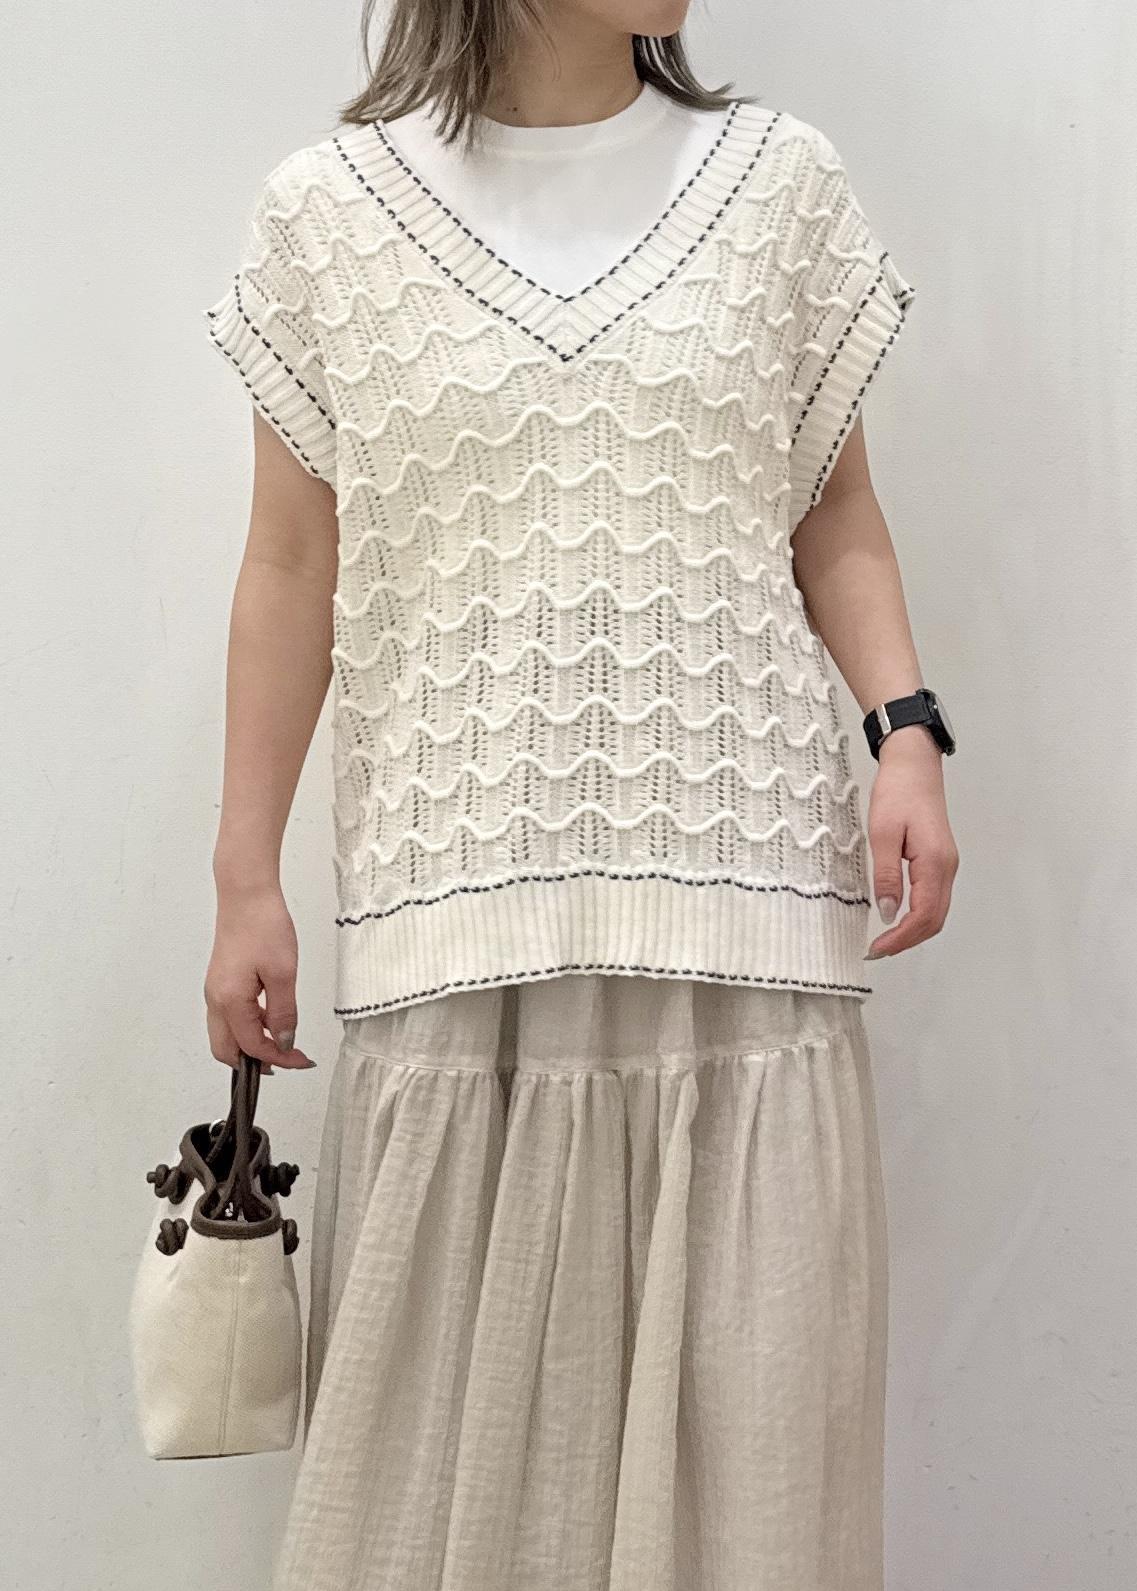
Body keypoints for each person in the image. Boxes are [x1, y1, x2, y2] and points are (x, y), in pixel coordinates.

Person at [201, 2, 959, 1587]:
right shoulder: (330, 214)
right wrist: (243, 878)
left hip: (742, 917)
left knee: (752, 1490)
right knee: (430, 1499)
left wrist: (904, 731)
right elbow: (289, 563)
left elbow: (834, 512)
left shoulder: (776, 185)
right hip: (450, 926)